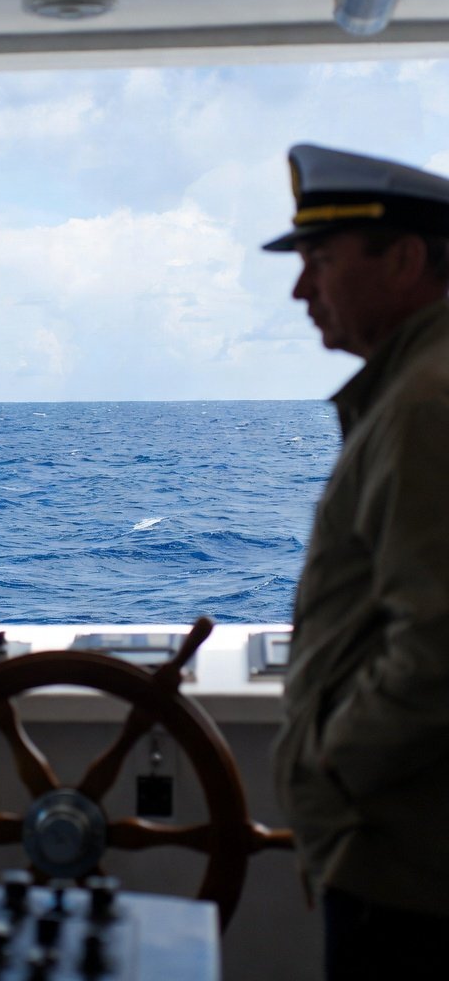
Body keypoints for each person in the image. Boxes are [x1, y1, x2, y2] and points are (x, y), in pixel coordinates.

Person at [264, 144, 449, 977]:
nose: (302, 289)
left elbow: (440, 643)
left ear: (404, 259)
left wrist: (338, 776)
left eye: (320, 260)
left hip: (406, 863)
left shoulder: (425, 404)